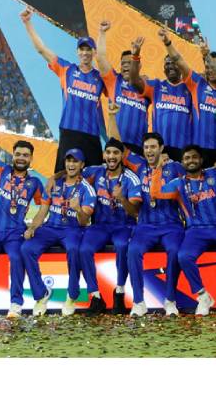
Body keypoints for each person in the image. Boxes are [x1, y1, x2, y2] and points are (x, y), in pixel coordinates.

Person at [0, 118, 47, 319]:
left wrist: (33, 227)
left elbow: (44, 206)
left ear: (31, 159)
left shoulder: (34, 182)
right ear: (13, 155)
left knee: (16, 258)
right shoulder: (0, 171)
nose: (21, 158)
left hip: (14, 234)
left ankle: (16, 305)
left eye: (26, 155)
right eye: (18, 154)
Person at [150, 144, 216, 316]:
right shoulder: (179, 183)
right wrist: (158, 167)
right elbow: (156, 192)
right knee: (183, 256)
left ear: (201, 160)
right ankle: (203, 296)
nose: (191, 160)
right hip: (196, 231)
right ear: (182, 162)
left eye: (194, 157)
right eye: (187, 158)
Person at [20, 6, 106, 170]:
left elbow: (102, 59)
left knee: (95, 177)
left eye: (89, 50)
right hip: (69, 132)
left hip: (91, 135)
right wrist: (27, 23)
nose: (85, 53)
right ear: (77, 52)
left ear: (94, 52)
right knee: (61, 176)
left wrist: (102, 34)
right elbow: (41, 49)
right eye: (82, 49)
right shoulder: (67, 70)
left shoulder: (100, 77)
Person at [22, 148, 96, 316]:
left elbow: (84, 222)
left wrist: (78, 209)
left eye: (75, 161)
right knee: (26, 249)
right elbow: (43, 211)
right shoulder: (55, 183)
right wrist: (32, 228)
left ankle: (72, 295)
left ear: (82, 165)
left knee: (73, 250)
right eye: (68, 161)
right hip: (50, 228)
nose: (71, 164)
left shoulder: (87, 189)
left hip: (72, 229)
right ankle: (41, 296)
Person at [79, 130, 143, 315]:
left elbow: (136, 212)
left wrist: (122, 198)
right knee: (84, 249)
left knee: (123, 246)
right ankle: (96, 296)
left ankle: (120, 292)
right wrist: (54, 177)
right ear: (104, 155)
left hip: (123, 225)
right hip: (99, 226)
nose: (112, 156)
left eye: (116, 153)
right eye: (109, 153)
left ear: (122, 156)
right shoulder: (95, 172)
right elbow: (72, 172)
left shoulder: (131, 178)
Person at [122, 131, 186, 317]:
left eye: (153, 147)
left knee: (174, 251)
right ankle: (139, 302)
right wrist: (110, 115)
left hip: (171, 224)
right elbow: (119, 146)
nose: (149, 151)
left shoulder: (174, 167)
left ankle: (170, 300)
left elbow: (195, 173)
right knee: (133, 251)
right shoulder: (139, 166)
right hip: (145, 225)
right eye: (147, 147)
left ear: (161, 148)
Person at [168, 36, 216, 168]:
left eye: (213, 67)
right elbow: (179, 60)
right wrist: (167, 42)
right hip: (201, 149)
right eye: (207, 67)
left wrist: (206, 55)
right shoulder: (197, 83)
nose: (210, 70)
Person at [129, 32, 193, 161]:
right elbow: (134, 80)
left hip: (183, 149)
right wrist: (135, 56)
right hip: (160, 149)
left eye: (173, 63)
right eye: (167, 64)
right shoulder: (156, 86)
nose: (170, 66)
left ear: (180, 66)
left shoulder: (190, 88)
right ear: (164, 69)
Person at [97, 20, 151, 154]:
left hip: (138, 148)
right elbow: (100, 57)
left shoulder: (146, 86)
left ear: (139, 66)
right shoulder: (114, 80)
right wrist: (102, 33)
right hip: (115, 145)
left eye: (130, 62)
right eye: (123, 63)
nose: (126, 65)